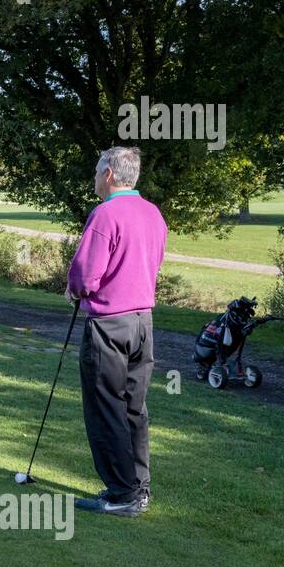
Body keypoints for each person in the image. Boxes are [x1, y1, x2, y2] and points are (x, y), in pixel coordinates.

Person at [66, 147, 167, 517]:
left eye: (96, 171)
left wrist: (75, 290)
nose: (94, 178)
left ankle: (122, 493)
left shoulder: (105, 214)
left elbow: (84, 275)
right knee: (133, 407)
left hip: (109, 324)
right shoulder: (153, 213)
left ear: (109, 173)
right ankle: (137, 486)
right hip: (143, 322)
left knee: (105, 407)